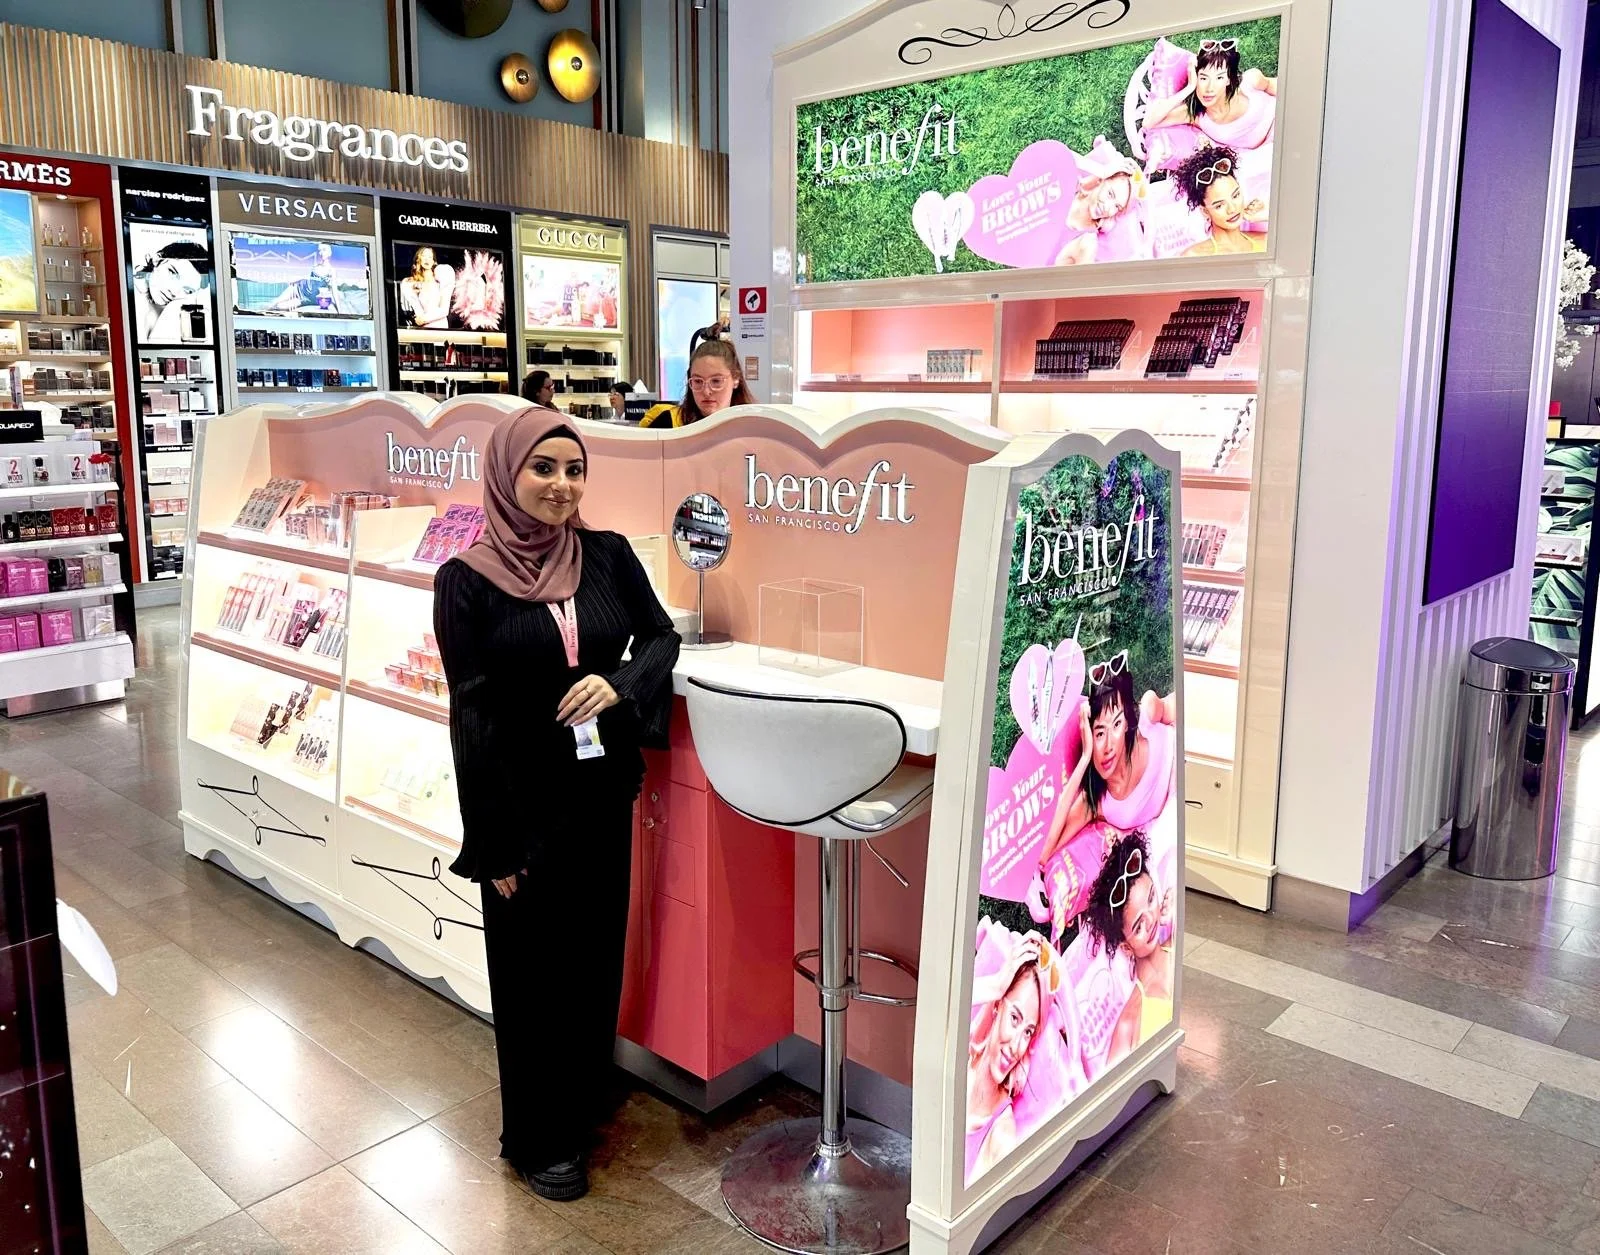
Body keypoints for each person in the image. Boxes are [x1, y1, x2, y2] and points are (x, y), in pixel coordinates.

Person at [434, 408, 680, 1202]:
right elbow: (469, 710)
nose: (561, 485)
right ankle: (539, 1137)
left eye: (574, 470)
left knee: (593, 952)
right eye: (543, 468)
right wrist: (493, 843)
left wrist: (621, 684)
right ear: (508, 473)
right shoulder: (465, 579)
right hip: (521, 802)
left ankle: (578, 1102)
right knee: (531, 970)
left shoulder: (606, 556)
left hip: (601, 788)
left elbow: (660, 638)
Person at [1037, 654, 1177, 863]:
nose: (1109, 746)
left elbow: (1186, 708)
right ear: (1088, 737)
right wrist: (1085, 758)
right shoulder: (1096, 801)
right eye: (1100, 733)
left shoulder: (1148, 715)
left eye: (1117, 725)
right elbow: (1044, 854)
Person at [1080, 830, 1174, 1064]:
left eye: (1151, 899)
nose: (1151, 921)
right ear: (1125, 947)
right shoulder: (1128, 1023)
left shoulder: (1179, 944)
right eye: (1138, 926)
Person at [966, 929, 1046, 1181]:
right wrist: (997, 984)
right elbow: (931, 1007)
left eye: (1028, 1032)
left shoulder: (1001, 1137)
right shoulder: (960, 1062)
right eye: (1014, 1018)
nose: (1016, 1046)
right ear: (997, 1004)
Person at [1054, 138, 1150, 266]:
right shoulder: (1070, 188)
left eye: (1117, 206)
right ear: (1100, 181)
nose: (1108, 208)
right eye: (1110, 194)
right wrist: (1102, 171)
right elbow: (1053, 153)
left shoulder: (1086, 243)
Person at [1173, 146, 1267, 257]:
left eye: (1235, 196)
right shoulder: (1193, 256)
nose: (1232, 209)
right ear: (1205, 211)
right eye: (1219, 206)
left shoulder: (1265, 241)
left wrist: (1267, 215)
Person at [639, 339, 754, 428]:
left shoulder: (753, 427)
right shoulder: (669, 423)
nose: (706, 391)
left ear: (736, 379)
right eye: (698, 381)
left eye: (716, 381)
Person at [131, 240, 212, 343]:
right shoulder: (131, 299)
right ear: (157, 260)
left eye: (187, 290)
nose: (174, 291)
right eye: (174, 274)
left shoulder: (176, 313)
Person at [264, 242, 346, 315]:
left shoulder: (331, 271)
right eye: (319, 250)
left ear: (330, 252)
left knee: (280, 306)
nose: (321, 253)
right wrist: (294, 281)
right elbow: (306, 278)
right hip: (298, 288)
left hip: (307, 299)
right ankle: (262, 312)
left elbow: (334, 290)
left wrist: (340, 311)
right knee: (276, 301)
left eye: (324, 250)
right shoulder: (315, 266)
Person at [398, 246, 453, 328]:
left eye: (430, 257)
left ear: (433, 261)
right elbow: (418, 311)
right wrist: (420, 319)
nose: (427, 259)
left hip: (441, 327)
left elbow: (444, 310)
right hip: (425, 329)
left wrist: (423, 319)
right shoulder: (414, 284)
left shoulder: (440, 280)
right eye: (424, 256)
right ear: (418, 259)